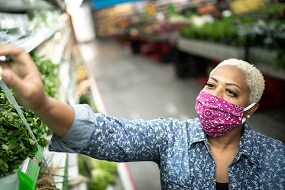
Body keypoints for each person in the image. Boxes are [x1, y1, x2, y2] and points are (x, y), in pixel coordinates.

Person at [0, 44, 284, 189]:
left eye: (231, 92)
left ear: (251, 107)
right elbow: (107, 133)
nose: (214, 96)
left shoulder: (276, 159)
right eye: (211, 85)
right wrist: (42, 104)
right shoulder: (171, 137)